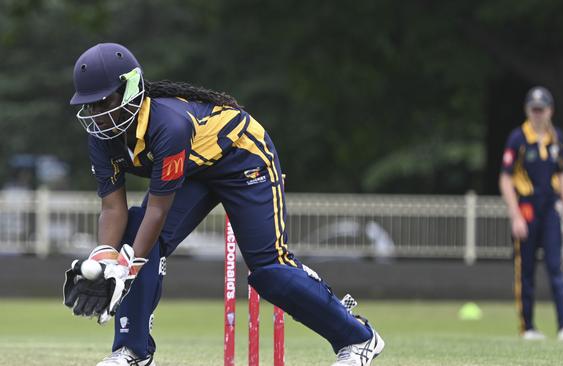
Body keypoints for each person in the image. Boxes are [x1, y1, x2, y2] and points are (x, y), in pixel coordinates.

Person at [61, 43, 384, 366]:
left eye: (106, 102)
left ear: (131, 89)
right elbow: (112, 208)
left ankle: (358, 339)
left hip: (241, 157)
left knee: (270, 270)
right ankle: (134, 352)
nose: (98, 115)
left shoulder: (168, 125)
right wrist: (105, 258)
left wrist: (126, 269)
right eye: (90, 106)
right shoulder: (101, 137)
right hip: (193, 168)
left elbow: (158, 211)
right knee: (134, 236)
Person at [499, 86, 563, 343]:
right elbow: (506, 179)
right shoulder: (518, 138)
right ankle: (527, 327)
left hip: (550, 209)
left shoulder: (557, 139)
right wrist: (515, 216)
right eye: (534, 109)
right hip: (527, 208)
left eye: (542, 109)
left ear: (550, 111)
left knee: (556, 267)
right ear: (528, 110)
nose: (538, 114)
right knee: (526, 270)